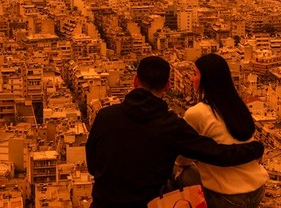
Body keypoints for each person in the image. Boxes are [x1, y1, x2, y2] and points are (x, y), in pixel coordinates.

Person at [86, 56, 265, 208]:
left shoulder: (105, 116)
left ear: (135, 81)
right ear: (168, 86)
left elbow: (93, 166)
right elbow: (216, 153)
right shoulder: (171, 126)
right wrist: (255, 148)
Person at [180, 53, 268, 208]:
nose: (191, 79)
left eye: (195, 74)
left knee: (179, 170)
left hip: (227, 197)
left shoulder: (196, 113)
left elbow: (182, 159)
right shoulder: (238, 107)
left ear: (207, 79)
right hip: (257, 191)